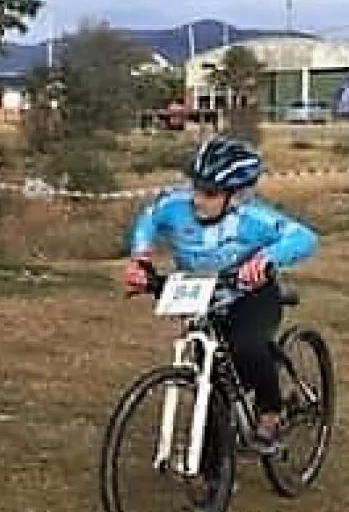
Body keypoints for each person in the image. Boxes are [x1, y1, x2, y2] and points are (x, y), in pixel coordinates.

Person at [122, 135, 319, 453]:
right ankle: (211, 473)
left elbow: (305, 238)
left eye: (210, 193)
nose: (198, 198)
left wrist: (265, 259)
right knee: (211, 380)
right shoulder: (175, 206)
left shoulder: (253, 219)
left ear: (236, 196)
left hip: (251, 296)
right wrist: (140, 258)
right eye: (195, 187)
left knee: (246, 345)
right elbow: (148, 219)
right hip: (203, 294)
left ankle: (271, 410)